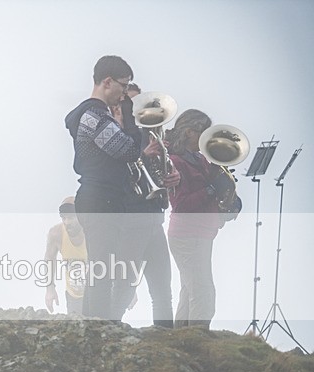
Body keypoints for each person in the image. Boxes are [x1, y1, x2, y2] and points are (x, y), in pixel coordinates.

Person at [64, 55, 142, 320]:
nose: (124, 93)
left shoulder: (93, 115)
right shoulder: (94, 115)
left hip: (99, 198)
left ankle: (92, 329)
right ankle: (98, 331)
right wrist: (129, 117)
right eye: (123, 85)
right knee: (102, 270)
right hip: (100, 198)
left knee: (101, 268)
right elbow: (129, 149)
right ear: (107, 82)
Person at [110, 83, 178, 328]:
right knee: (124, 287)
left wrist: (172, 175)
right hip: (131, 220)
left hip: (154, 219)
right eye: (130, 103)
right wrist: (141, 156)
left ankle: (166, 342)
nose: (136, 109)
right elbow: (115, 175)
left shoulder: (150, 136)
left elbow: (160, 175)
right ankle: (108, 334)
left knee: (162, 290)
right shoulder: (121, 137)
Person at [165, 110, 230, 328]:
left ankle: (181, 343)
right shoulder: (174, 161)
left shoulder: (201, 159)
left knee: (189, 290)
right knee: (202, 293)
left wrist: (225, 191)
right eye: (202, 132)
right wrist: (212, 189)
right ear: (189, 132)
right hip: (187, 235)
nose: (206, 138)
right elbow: (181, 205)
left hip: (200, 234)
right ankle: (198, 342)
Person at [44, 196, 87, 315]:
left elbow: (113, 256)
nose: (67, 222)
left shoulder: (92, 231)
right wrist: (50, 289)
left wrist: (127, 289)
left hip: (98, 293)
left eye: (71, 218)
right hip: (74, 295)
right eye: (64, 218)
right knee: (76, 330)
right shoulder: (56, 233)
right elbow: (49, 259)